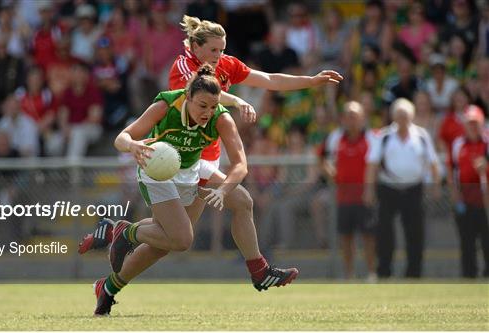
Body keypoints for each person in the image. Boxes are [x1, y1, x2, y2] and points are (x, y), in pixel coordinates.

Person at [79, 15, 341, 279]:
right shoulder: (183, 66)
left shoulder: (225, 64)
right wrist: (238, 101)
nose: (219, 55)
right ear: (195, 47)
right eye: (214, 49)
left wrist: (310, 80)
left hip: (204, 157)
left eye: (222, 49)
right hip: (178, 157)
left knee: (169, 241)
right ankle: (259, 272)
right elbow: (202, 91)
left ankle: (111, 272)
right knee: (226, 209)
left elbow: (270, 79)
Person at [92, 65, 299, 316]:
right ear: (187, 97)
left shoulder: (221, 118)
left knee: (242, 200)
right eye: (202, 106)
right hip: (156, 172)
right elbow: (122, 137)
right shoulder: (166, 105)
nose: (208, 112)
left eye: (213, 106)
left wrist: (223, 191)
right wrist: (133, 146)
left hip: (192, 168)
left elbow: (241, 165)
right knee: (180, 240)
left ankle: (259, 271)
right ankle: (125, 233)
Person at [364, 98, 440, 278]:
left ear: (411, 116)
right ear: (393, 117)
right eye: (399, 115)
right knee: (384, 233)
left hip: (414, 189)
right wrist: (368, 189)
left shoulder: (421, 135)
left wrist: (435, 186)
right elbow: (372, 164)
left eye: (405, 116)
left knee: (415, 233)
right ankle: (384, 271)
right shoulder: (384, 136)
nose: (402, 119)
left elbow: (433, 163)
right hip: (388, 188)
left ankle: (414, 273)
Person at [320, 101, 377, 281]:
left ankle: (371, 273)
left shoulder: (371, 137)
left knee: (368, 236)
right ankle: (349, 275)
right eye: (349, 116)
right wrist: (331, 172)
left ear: (362, 118)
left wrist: (370, 190)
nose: (352, 120)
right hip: (343, 196)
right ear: (343, 119)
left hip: (364, 195)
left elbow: (374, 165)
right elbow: (323, 158)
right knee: (346, 238)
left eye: (356, 116)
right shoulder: (335, 137)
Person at [449, 105, 489, 278]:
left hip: (485, 199)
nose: (472, 126)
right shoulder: (458, 144)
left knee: (487, 241)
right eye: (469, 123)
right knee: (467, 241)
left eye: (476, 122)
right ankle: (469, 276)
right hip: (465, 199)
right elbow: (452, 170)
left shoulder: (488, 143)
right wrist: (455, 195)